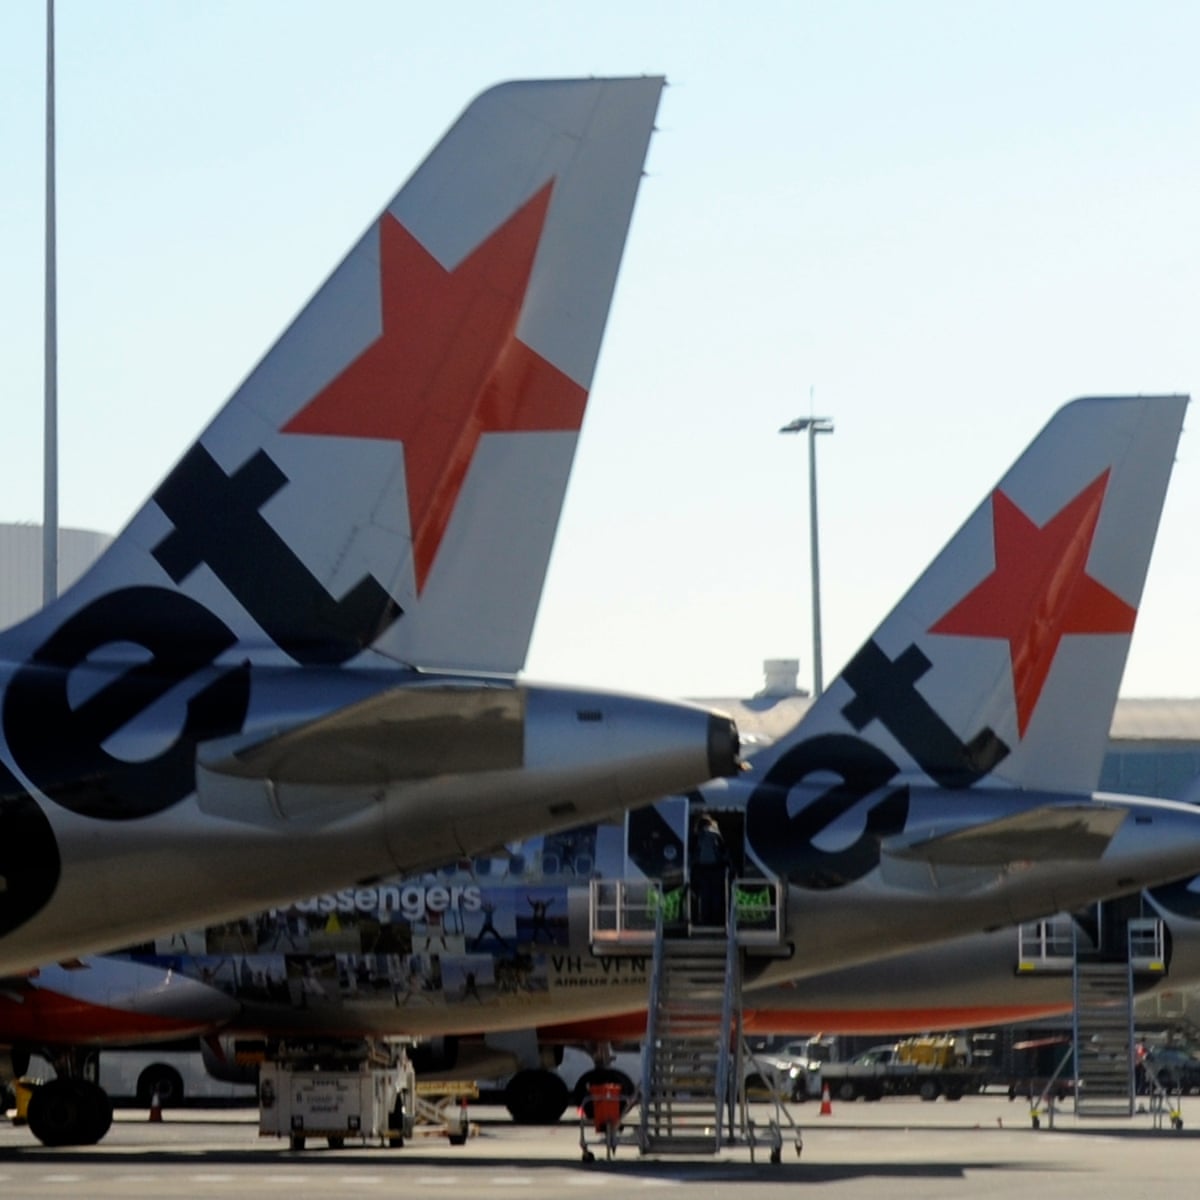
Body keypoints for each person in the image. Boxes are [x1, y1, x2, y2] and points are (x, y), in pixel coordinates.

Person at [689, 814, 731, 928]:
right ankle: (717, 918)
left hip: (701, 869)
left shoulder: (697, 836)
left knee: (704, 895)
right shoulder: (716, 835)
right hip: (716, 869)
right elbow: (724, 852)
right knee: (716, 894)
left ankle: (704, 918)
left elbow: (692, 853)